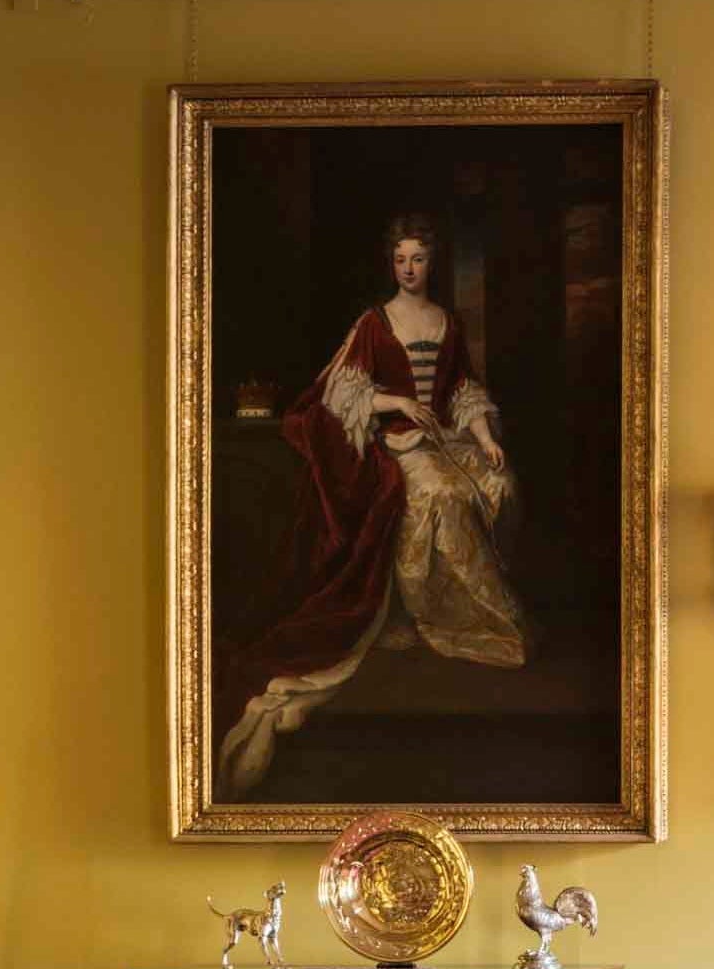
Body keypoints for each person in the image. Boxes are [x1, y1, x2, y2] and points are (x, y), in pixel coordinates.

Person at [217, 214, 526, 793]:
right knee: (442, 492)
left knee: (497, 486)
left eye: (419, 259)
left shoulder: (447, 321)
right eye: (401, 259)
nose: (410, 269)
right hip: (401, 444)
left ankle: (478, 612)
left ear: (432, 263)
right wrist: (398, 404)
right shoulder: (374, 323)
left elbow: (463, 390)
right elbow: (342, 390)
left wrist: (485, 440)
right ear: (392, 264)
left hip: (451, 438)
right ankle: (431, 615)